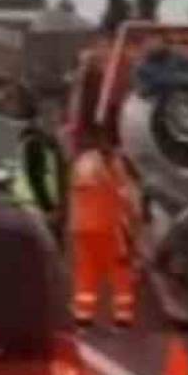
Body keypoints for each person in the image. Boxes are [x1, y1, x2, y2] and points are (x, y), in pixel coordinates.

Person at [68, 136, 136, 328]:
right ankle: (123, 317)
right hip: (108, 226)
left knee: (86, 270)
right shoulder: (115, 164)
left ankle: (83, 315)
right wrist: (131, 229)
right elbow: (126, 198)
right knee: (120, 270)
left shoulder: (82, 163)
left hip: (82, 226)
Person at [13, 118, 68, 244]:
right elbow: (36, 180)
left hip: (29, 207)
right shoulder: (34, 145)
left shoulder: (32, 146)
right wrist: (48, 208)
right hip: (36, 209)